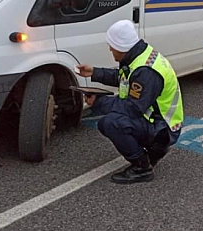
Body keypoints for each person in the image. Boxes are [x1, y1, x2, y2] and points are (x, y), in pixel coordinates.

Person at [76, 20, 184, 184]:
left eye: (112, 46)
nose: (110, 49)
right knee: (113, 118)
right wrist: (94, 72)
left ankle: (142, 168)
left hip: (163, 129)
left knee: (111, 123)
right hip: (158, 122)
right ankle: (151, 153)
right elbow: (124, 80)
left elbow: (133, 108)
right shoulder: (139, 57)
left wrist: (99, 102)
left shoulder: (146, 71)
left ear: (121, 47)